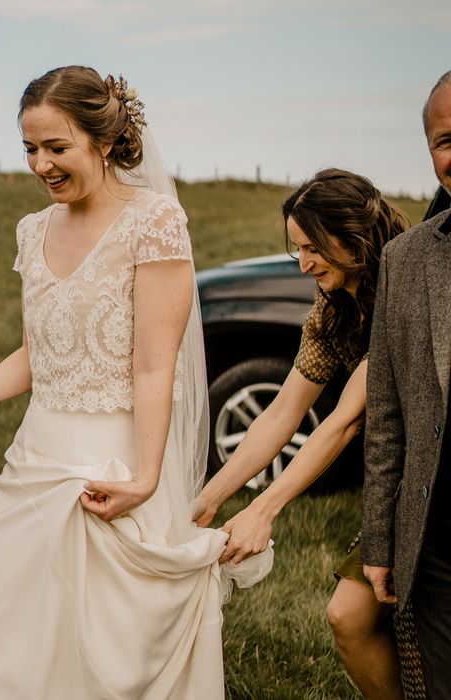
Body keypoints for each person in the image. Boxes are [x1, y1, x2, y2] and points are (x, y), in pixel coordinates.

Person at [0, 65, 272, 699]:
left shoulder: (154, 223)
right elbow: (36, 354)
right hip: (35, 460)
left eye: (56, 147)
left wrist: (146, 478)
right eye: (29, 148)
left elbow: (155, 364)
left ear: (104, 142)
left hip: (118, 461)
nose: (41, 164)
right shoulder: (32, 230)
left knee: (108, 650)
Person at [193, 168, 411, 699]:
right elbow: (281, 413)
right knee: (351, 618)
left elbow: (344, 423)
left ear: (354, 236)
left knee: (374, 619)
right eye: (297, 250)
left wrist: (264, 510)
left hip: (429, 478)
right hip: (399, 481)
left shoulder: (403, 291)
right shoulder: (331, 310)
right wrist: (210, 499)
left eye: (313, 248)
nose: (304, 264)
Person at [362, 69, 451, 700]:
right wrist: (379, 539)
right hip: (438, 542)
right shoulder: (406, 259)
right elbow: (386, 416)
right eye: (446, 139)